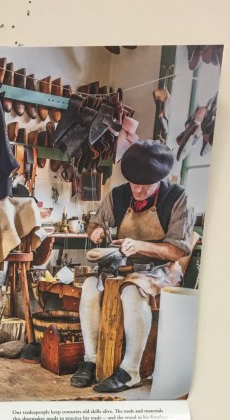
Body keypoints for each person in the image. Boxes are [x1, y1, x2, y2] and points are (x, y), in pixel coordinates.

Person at [70, 140, 195, 393]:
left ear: (159, 179)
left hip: (162, 269)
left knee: (131, 290)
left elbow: (178, 250)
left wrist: (140, 245)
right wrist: (94, 231)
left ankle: (130, 371)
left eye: (144, 186)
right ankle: (90, 360)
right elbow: (94, 224)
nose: (137, 190)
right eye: (133, 184)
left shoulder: (176, 197)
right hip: (125, 265)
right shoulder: (118, 195)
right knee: (90, 287)